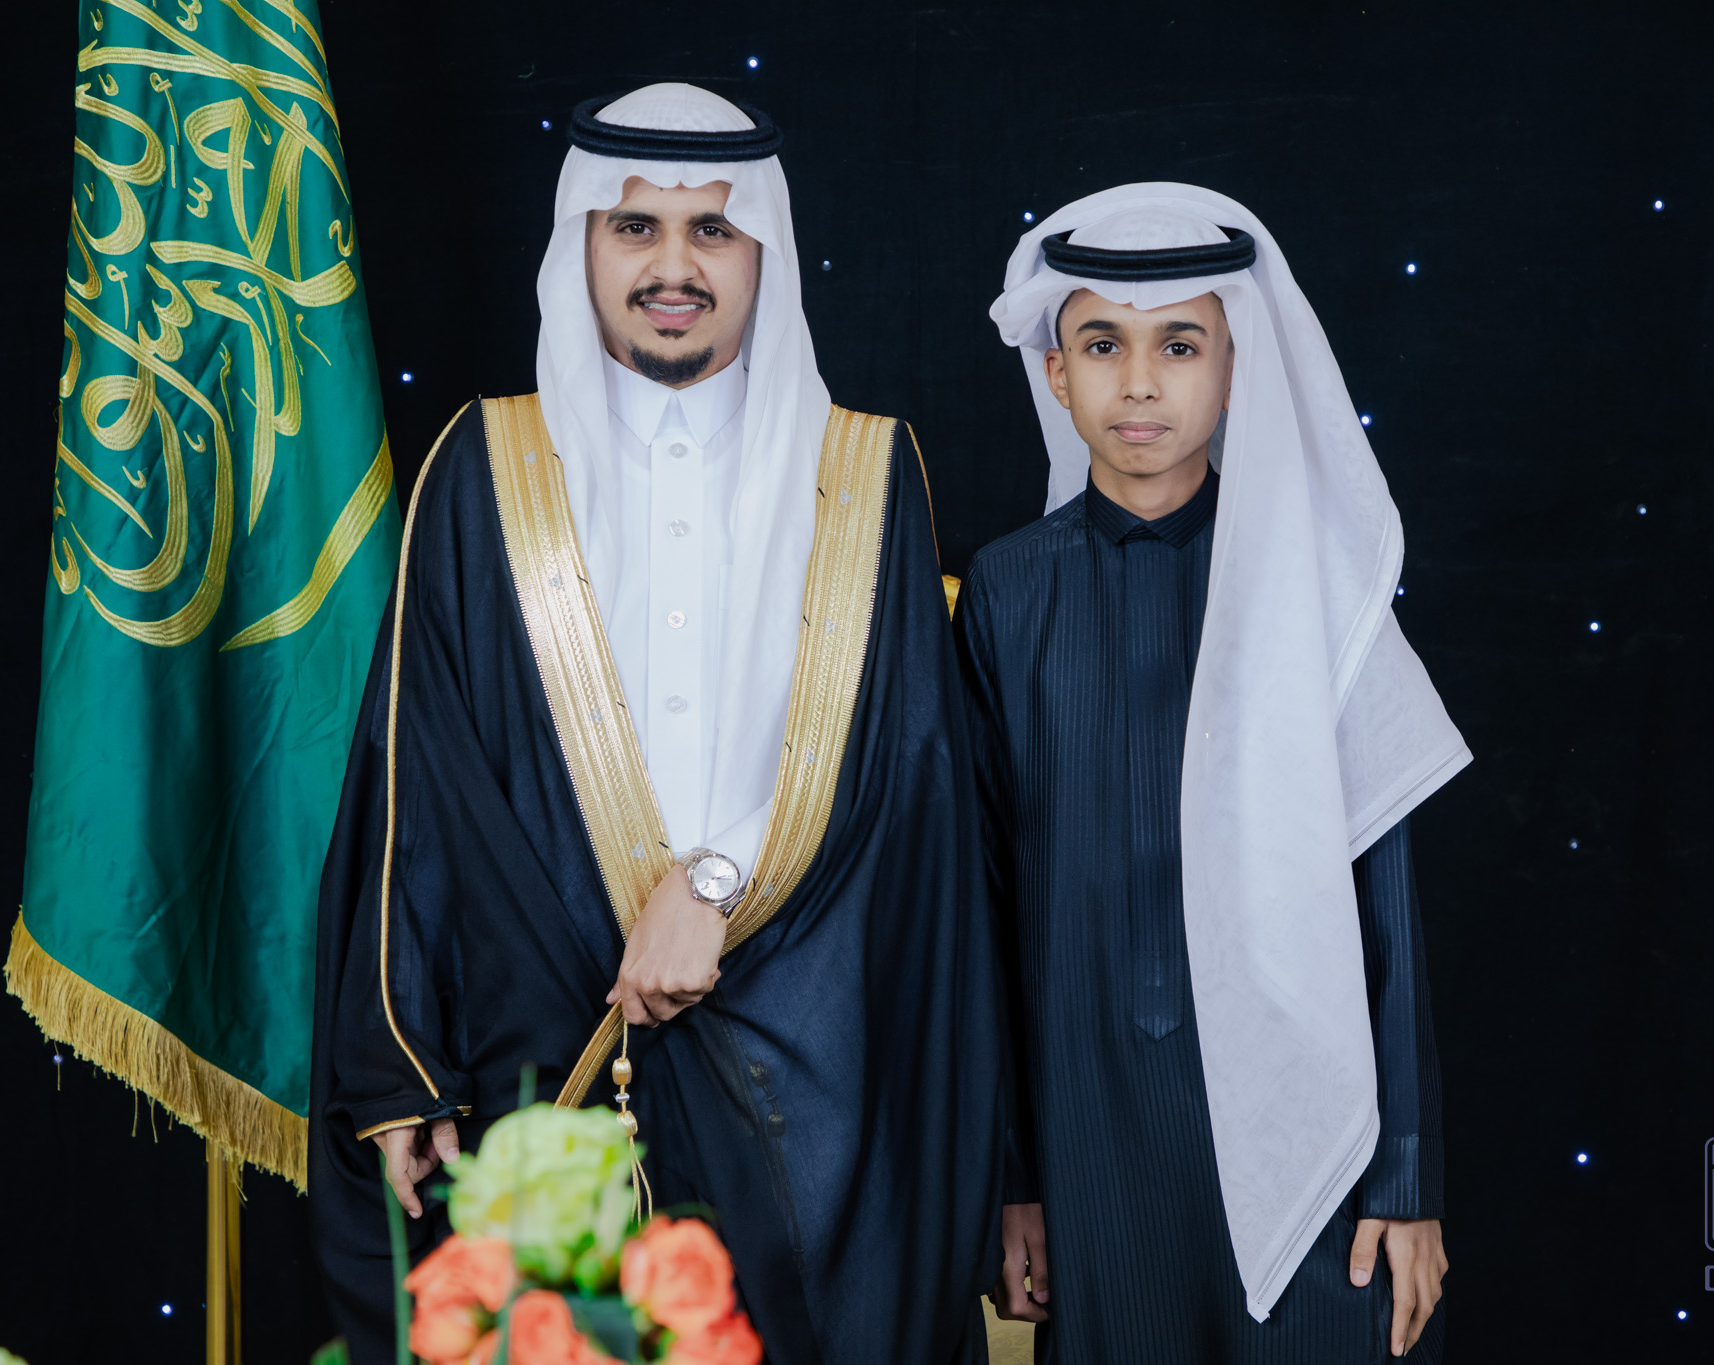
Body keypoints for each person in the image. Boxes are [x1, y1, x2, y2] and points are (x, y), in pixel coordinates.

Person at [309, 83, 1002, 1364]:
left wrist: (714, 884)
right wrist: (398, 1062)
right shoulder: (483, 466)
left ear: (762, 254)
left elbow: (903, 774)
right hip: (544, 1042)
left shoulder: (864, 474)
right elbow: (419, 777)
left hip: (817, 1059)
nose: (672, 268)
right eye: (635, 228)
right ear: (581, 243)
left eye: (711, 232)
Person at [959, 184, 1468, 1361]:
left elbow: (1383, 897)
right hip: (1089, 1127)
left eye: (1179, 345)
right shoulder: (1003, 591)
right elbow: (984, 897)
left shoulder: (1308, 582)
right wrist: (1012, 1176)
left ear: (1235, 370)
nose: (1139, 384)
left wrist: (1405, 1175)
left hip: (1312, 1122)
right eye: (1102, 345)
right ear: (1055, 373)